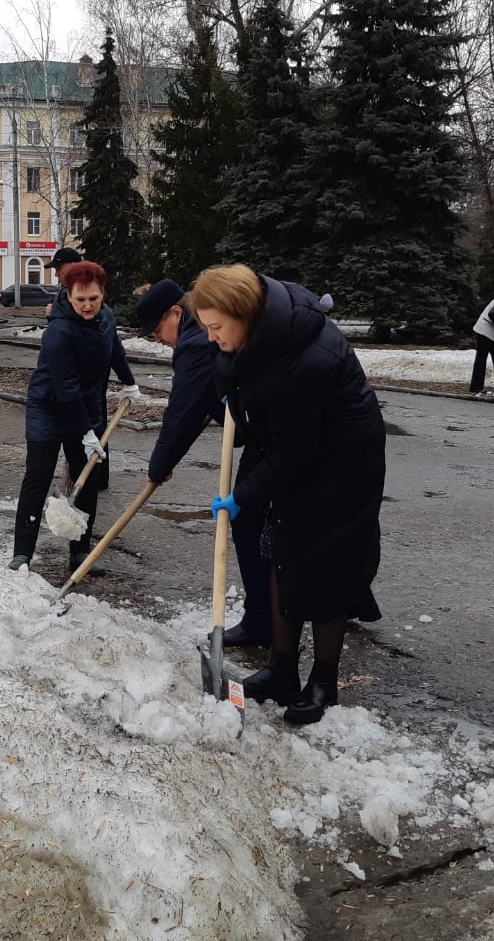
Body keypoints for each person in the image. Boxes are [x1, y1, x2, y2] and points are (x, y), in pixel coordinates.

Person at [189, 264, 386, 727]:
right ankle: (282, 671)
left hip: (343, 463)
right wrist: (230, 394)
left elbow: (293, 452)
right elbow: (256, 409)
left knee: (326, 566)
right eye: (206, 328)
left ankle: (324, 680)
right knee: (284, 554)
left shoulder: (304, 358)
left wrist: (243, 496)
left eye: (217, 327)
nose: (211, 337)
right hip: (298, 449)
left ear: (244, 315)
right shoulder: (256, 338)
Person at [138, 277, 271, 647]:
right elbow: (204, 402)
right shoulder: (203, 337)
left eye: (157, 331)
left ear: (175, 313)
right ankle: (333, 601)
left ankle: (264, 621)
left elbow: (182, 412)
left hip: (278, 433)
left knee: (249, 519)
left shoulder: (196, 342)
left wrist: (159, 466)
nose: (158, 340)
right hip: (273, 427)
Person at [11, 259, 140, 572]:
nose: (87, 305)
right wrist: (87, 432)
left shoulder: (106, 318)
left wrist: (129, 382)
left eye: (93, 298)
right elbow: (66, 388)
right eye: (80, 299)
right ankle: (22, 554)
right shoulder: (58, 331)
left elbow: (115, 350)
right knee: (38, 478)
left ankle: (80, 552)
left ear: (102, 294)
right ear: (68, 296)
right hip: (49, 408)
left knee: (88, 478)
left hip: (86, 406)